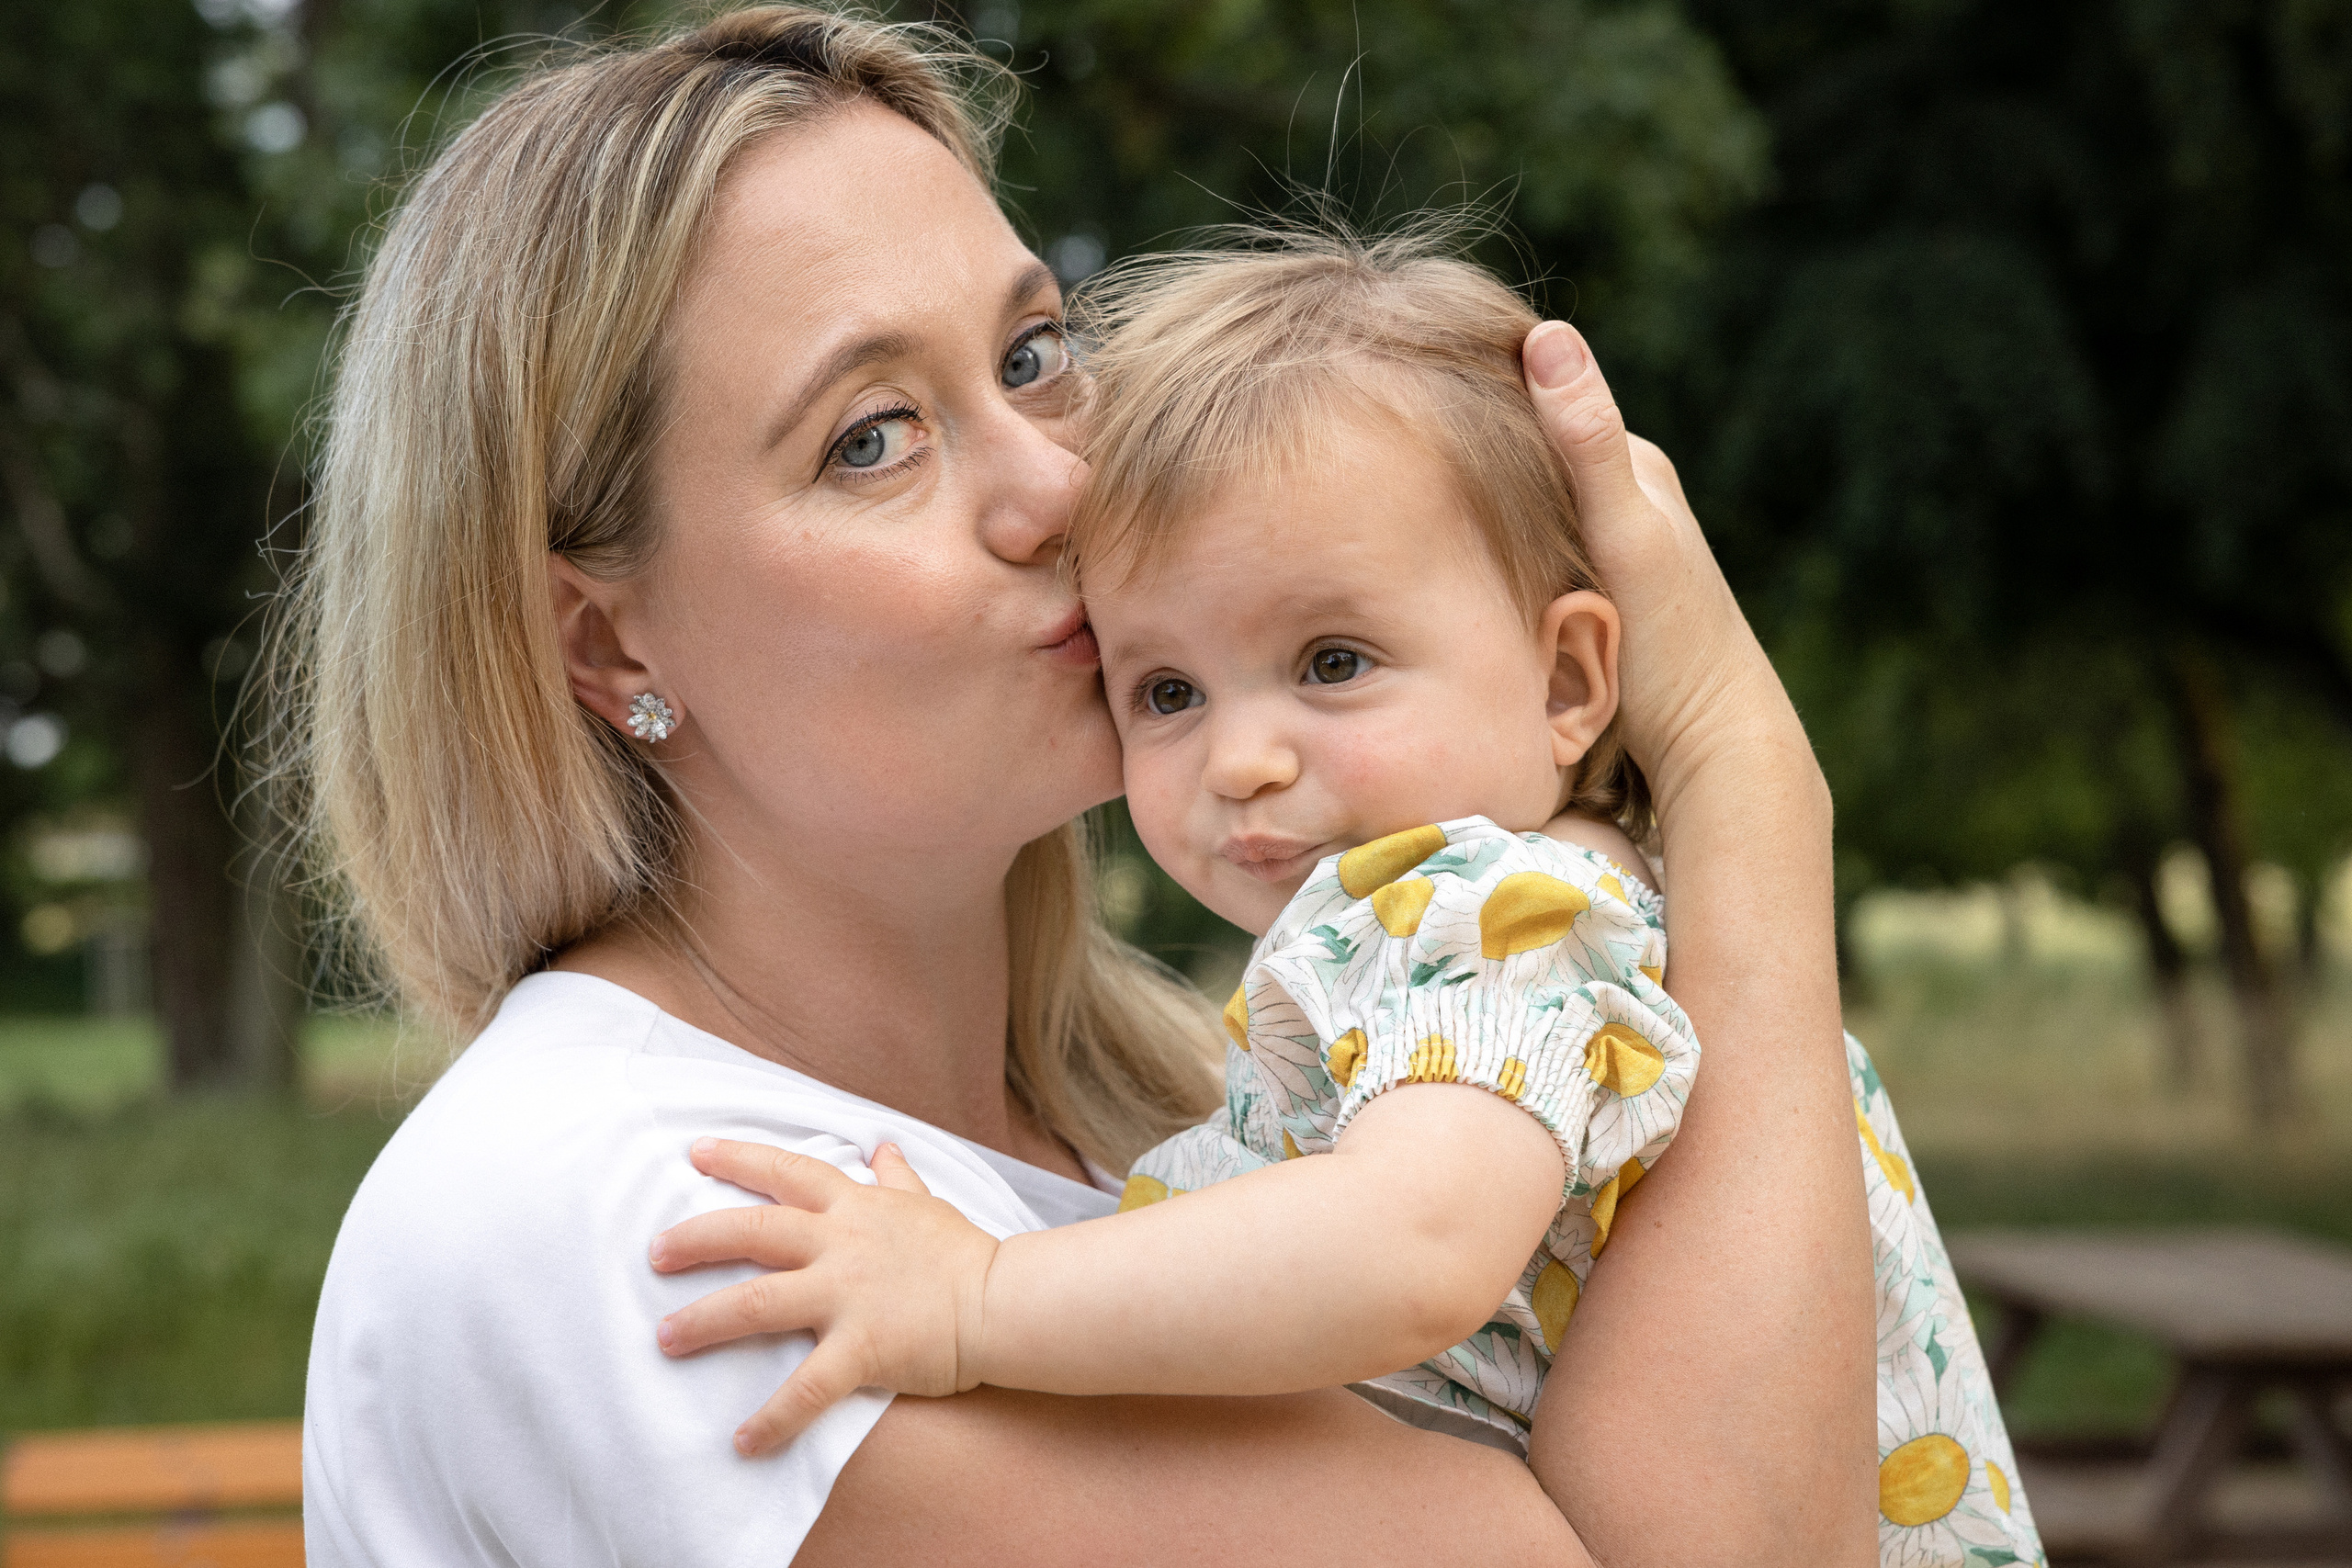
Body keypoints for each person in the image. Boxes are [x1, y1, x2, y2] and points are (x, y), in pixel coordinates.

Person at [281, 6, 1880, 1564]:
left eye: (1037, 353)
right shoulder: (645, 1230)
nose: (1060, 483)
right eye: (873, 438)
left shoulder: (1214, 1106)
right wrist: (1739, 772)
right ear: (605, 640)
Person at [647, 233, 2044, 1568]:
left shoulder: (1479, 911)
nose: (1243, 761)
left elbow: (1416, 1245)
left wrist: (971, 1302)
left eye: (1333, 662)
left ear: (1568, 682)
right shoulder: (1614, 908)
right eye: (1170, 692)